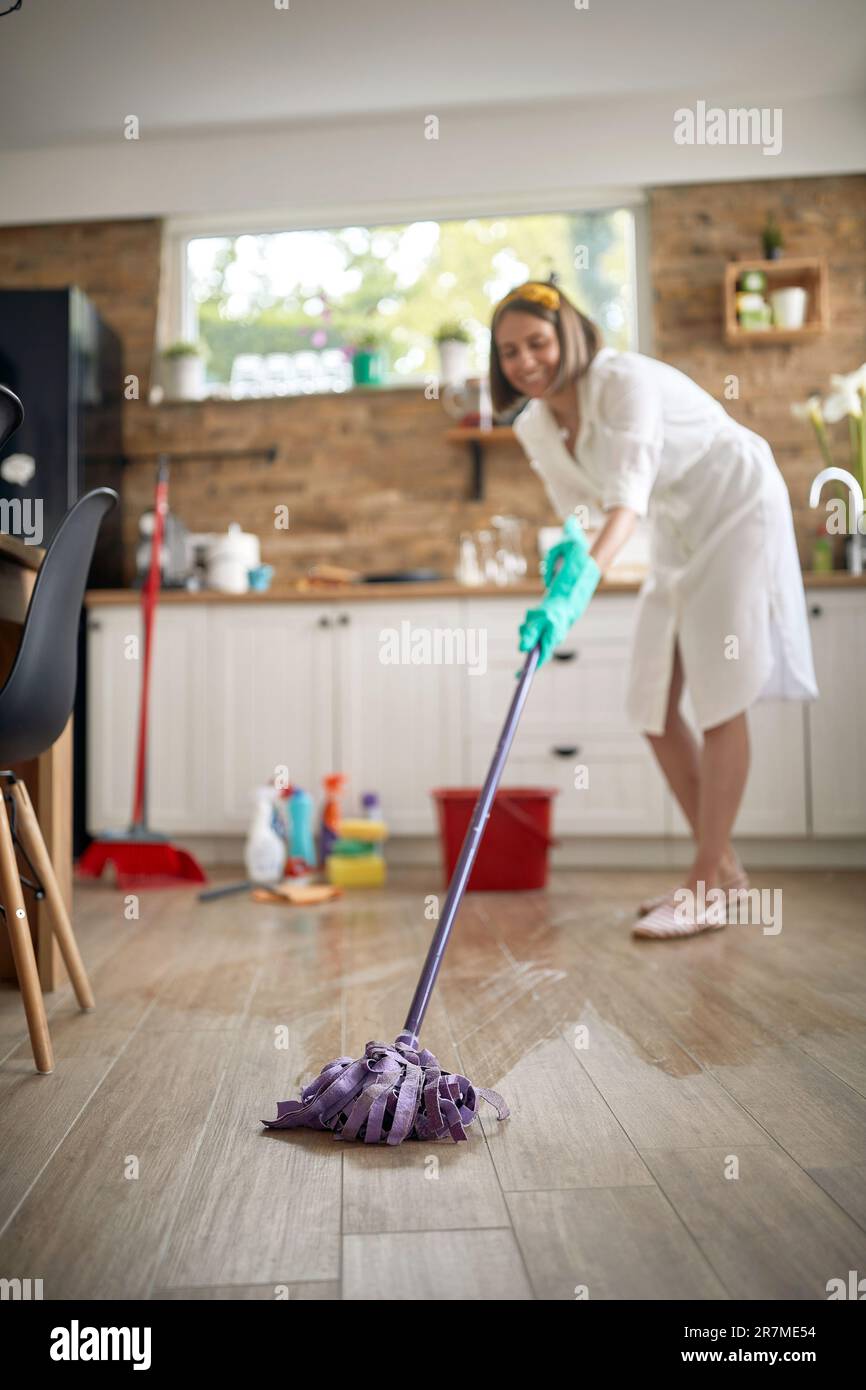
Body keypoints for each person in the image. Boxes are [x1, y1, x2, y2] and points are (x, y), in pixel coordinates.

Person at [490, 279, 818, 939]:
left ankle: (703, 884)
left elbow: (626, 499)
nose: (525, 362)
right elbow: (581, 514)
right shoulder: (532, 423)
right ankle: (722, 873)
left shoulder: (623, 381)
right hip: (676, 530)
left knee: (722, 692)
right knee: (651, 701)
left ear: (570, 337)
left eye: (538, 343)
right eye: (509, 352)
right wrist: (564, 572)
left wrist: (580, 585)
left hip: (735, 506)